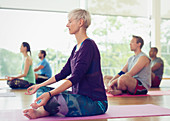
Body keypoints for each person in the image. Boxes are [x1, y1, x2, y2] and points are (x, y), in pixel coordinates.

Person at [23, 9, 107, 119]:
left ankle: (42, 111)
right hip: (78, 97)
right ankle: (45, 109)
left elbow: (75, 77)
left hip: (95, 102)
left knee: (52, 98)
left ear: (80, 22)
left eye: (70, 21)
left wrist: (50, 94)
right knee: (42, 91)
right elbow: (63, 73)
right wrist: (40, 85)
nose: (67, 25)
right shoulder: (76, 48)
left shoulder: (89, 46)